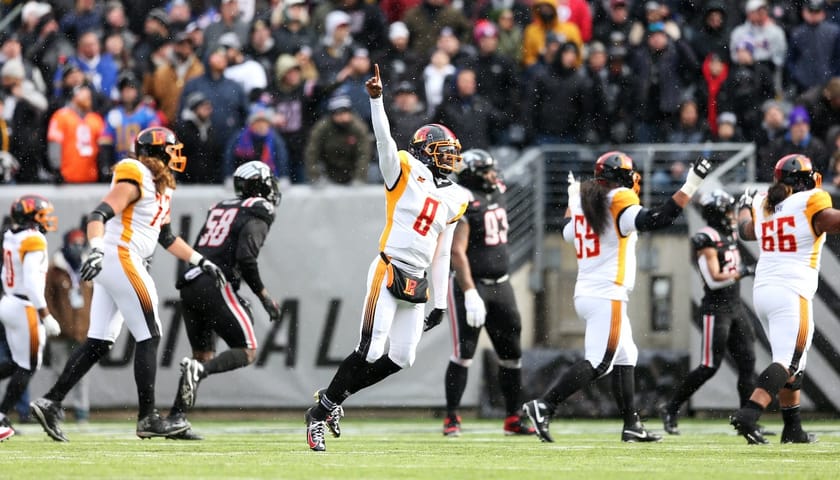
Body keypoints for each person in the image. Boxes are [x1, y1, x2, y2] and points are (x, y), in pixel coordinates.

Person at [303, 64, 469, 452]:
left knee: (402, 357)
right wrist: (376, 101)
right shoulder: (405, 170)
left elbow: (443, 249)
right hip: (390, 267)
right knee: (371, 350)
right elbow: (383, 142)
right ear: (426, 152)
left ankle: (330, 402)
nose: (450, 160)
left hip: (419, 280)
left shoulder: (457, 197)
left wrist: (442, 301)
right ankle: (321, 412)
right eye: (444, 153)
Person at [30, 126, 227, 442]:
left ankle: (51, 400)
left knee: (99, 340)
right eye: (171, 150)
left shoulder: (161, 185)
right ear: (156, 153)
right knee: (150, 334)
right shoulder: (134, 171)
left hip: (119, 261)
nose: (176, 155)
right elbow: (98, 214)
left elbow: (165, 237)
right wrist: (94, 249)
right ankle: (147, 417)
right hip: (120, 256)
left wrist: (200, 261)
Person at [523, 152, 711, 443]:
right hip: (606, 292)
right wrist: (691, 184)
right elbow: (658, 219)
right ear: (622, 177)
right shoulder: (618, 198)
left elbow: (566, 232)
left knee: (626, 356)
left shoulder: (587, 204)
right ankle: (545, 405)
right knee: (599, 363)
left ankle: (631, 424)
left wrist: (573, 200)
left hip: (589, 291)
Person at [167, 160, 282, 441]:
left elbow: (201, 248)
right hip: (215, 282)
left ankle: (175, 417)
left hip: (191, 282)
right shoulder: (260, 210)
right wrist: (263, 295)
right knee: (247, 350)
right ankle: (199, 374)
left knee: (202, 355)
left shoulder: (221, 206)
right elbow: (246, 257)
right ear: (261, 184)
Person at [730, 154, 837, 445]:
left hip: (764, 292)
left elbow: (745, 231)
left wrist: (742, 207)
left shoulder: (764, 203)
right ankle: (749, 413)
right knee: (788, 362)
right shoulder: (811, 201)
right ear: (806, 180)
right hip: (792, 291)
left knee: (793, 365)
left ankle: (793, 429)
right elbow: (832, 222)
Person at [442, 149, 534, 437]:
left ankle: (513, 418)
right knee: (464, 353)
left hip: (501, 284)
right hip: (473, 285)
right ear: (472, 175)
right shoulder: (464, 202)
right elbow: (457, 252)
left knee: (512, 355)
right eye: (487, 171)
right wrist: (469, 292)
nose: (494, 175)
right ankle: (452, 418)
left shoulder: (497, 190)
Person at [659, 190, 757, 435]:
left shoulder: (728, 232)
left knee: (748, 363)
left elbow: (749, 226)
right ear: (715, 212)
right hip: (716, 309)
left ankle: (747, 420)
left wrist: (747, 204)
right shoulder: (706, 237)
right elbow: (714, 280)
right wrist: (744, 271)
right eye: (727, 211)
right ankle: (670, 408)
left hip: (735, 306)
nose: (731, 216)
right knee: (709, 366)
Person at [0, 195, 61, 442]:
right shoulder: (34, 239)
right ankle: (1, 414)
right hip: (25, 305)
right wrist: (45, 314)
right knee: (28, 366)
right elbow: (34, 283)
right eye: (42, 214)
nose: (46, 219)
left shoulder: (10, 235)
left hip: (9, 301)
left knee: (17, 363)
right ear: (30, 216)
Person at [44, 228, 93, 423]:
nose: (77, 247)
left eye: (81, 243)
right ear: (66, 244)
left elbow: (95, 300)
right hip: (60, 331)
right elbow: (47, 298)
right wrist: (56, 322)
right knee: (58, 372)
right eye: (74, 243)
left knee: (82, 372)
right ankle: (57, 408)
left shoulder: (90, 266)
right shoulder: (55, 269)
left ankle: (82, 409)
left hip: (82, 330)